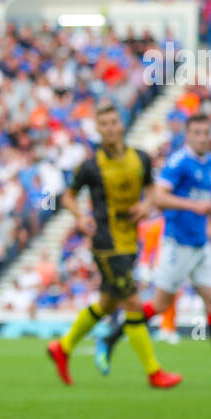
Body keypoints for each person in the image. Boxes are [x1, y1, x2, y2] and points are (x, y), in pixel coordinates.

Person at [96, 112, 211, 386]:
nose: (201, 137)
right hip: (178, 243)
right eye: (196, 133)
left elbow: (200, 199)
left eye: (205, 132)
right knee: (160, 305)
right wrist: (194, 207)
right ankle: (110, 337)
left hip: (200, 244)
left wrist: (209, 212)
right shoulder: (178, 162)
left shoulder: (209, 162)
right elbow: (159, 198)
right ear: (187, 135)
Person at [46, 102, 182, 389]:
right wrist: (80, 217)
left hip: (131, 239)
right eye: (103, 124)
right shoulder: (91, 166)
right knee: (132, 301)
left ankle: (64, 347)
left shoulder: (141, 159)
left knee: (108, 303)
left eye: (113, 122)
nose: (109, 128)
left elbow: (151, 191)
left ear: (121, 124)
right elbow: (68, 197)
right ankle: (154, 371)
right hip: (106, 243)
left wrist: (146, 206)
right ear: (98, 128)